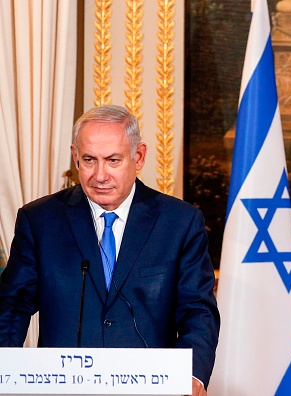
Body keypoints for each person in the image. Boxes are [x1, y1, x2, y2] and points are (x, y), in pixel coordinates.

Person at [0, 105, 220, 396]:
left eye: (113, 160)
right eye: (89, 160)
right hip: (63, 389)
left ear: (138, 156)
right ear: (75, 156)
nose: (100, 175)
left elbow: (198, 310)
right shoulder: (40, 220)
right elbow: (12, 307)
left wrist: (192, 375)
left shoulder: (180, 222)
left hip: (150, 389)